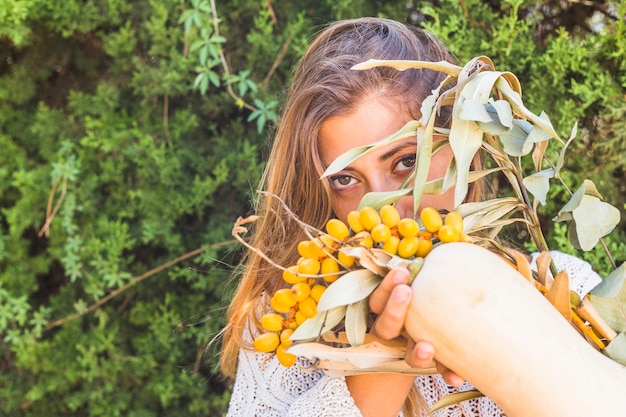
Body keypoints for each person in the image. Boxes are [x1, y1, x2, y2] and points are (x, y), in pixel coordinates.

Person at [219, 17, 603, 417]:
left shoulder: (565, 291)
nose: (383, 209)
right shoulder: (282, 322)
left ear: (461, 150)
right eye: (345, 179)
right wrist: (387, 359)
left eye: (406, 162)